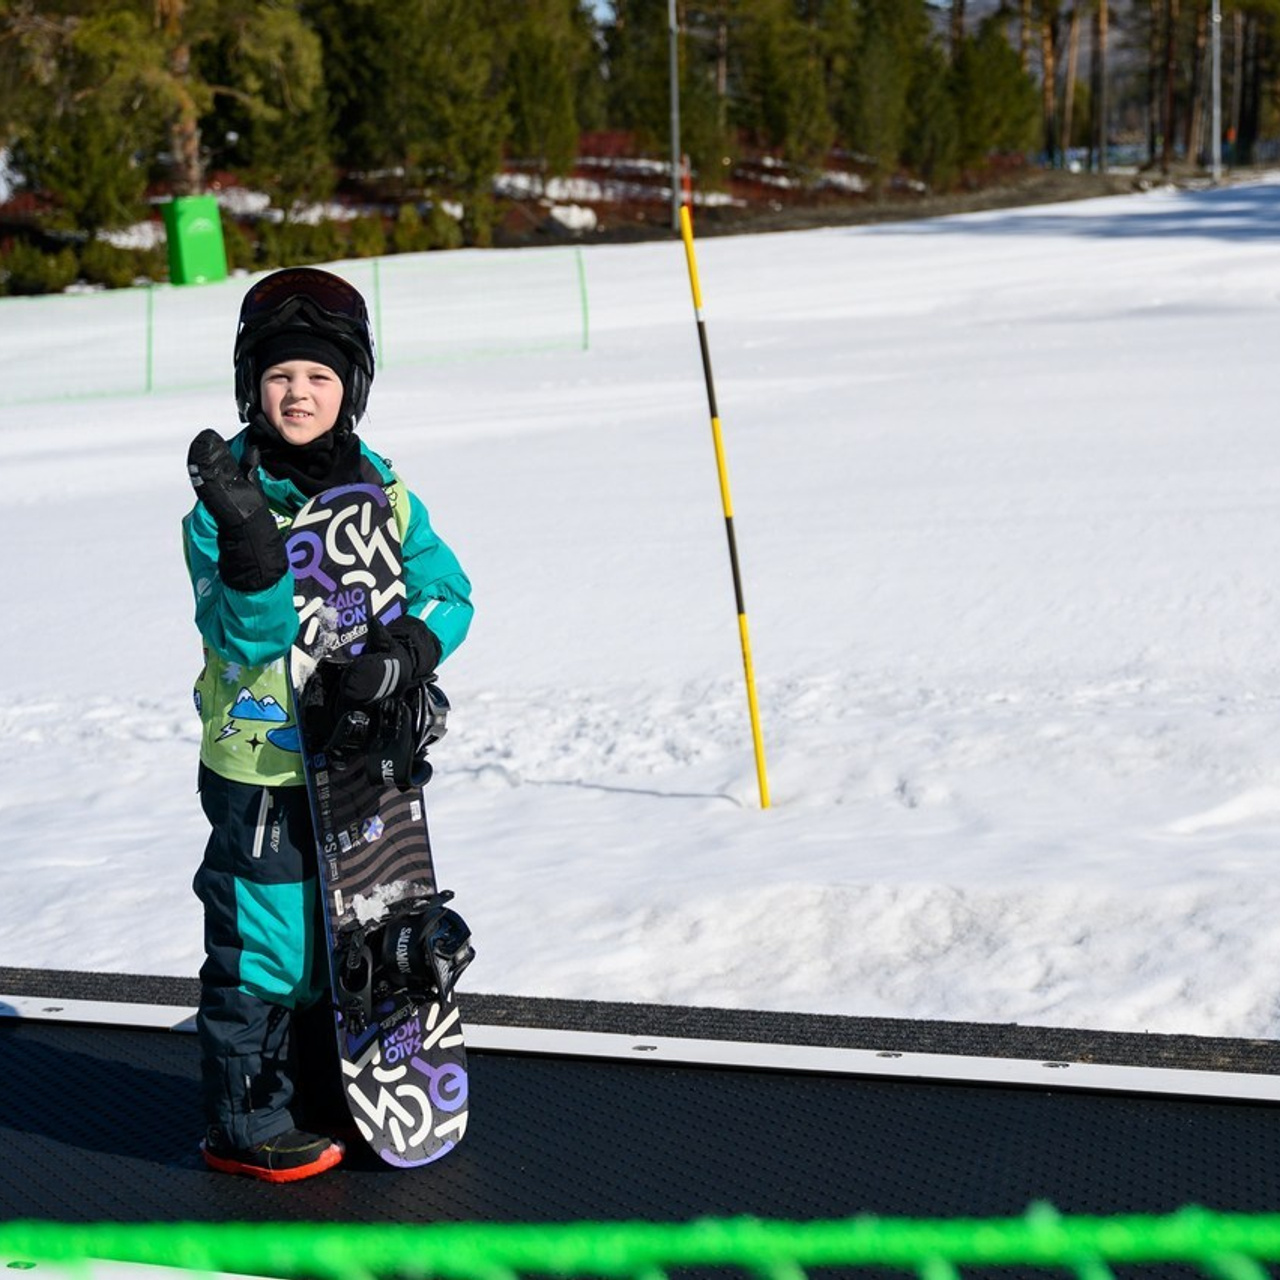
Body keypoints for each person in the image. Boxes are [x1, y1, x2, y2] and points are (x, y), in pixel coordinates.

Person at [182, 267, 473, 1182]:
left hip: (359, 764)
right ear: (249, 388)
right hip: (264, 763)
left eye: (317, 375)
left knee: (340, 934)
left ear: (352, 385)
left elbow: (450, 591)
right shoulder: (223, 504)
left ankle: (321, 1087)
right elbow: (242, 637)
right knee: (266, 940)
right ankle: (243, 1117)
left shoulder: (383, 491)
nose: (297, 393)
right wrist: (253, 549)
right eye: (277, 377)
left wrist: (409, 654)